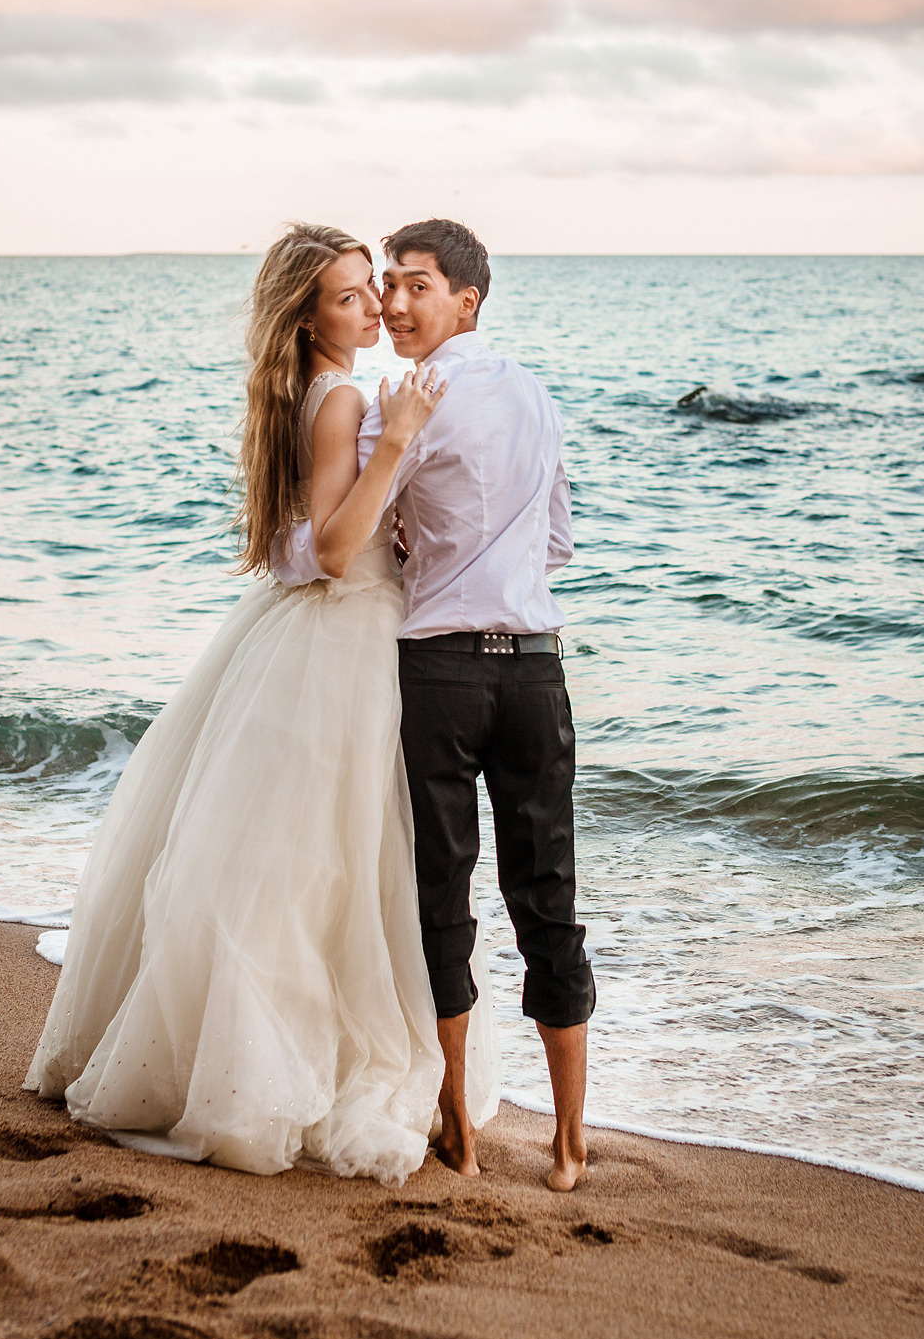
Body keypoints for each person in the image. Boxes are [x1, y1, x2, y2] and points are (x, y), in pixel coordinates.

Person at [24, 223, 499, 1185]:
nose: (376, 307)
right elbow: (329, 552)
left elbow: (293, 544)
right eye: (350, 296)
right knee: (332, 867)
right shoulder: (346, 399)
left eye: (376, 288)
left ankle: (241, 1053)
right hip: (344, 632)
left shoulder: (298, 395)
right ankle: (282, 1072)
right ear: (309, 316)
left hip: (290, 632)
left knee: (289, 864)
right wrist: (399, 440)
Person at [274, 218, 596, 1191]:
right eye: (393, 286)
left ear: (467, 298)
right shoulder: (537, 396)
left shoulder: (403, 399)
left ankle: (458, 1118)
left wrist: (419, 545)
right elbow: (557, 542)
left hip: (443, 673)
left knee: (441, 896)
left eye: (418, 286)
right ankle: (570, 1140)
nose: (399, 304)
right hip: (536, 671)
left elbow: (351, 535)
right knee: (548, 896)